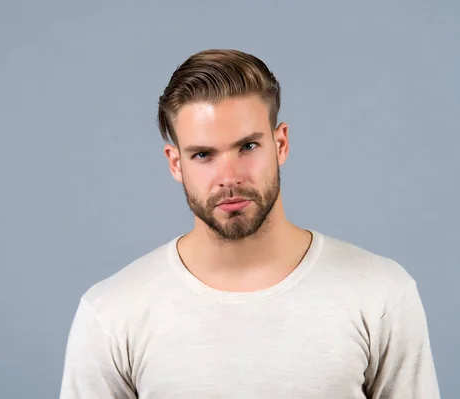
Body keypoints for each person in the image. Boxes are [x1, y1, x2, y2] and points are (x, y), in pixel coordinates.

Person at [59, 49, 440, 398]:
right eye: (204, 154)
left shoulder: (381, 295)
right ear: (176, 163)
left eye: (248, 146)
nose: (229, 176)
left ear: (281, 143)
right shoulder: (111, 314)